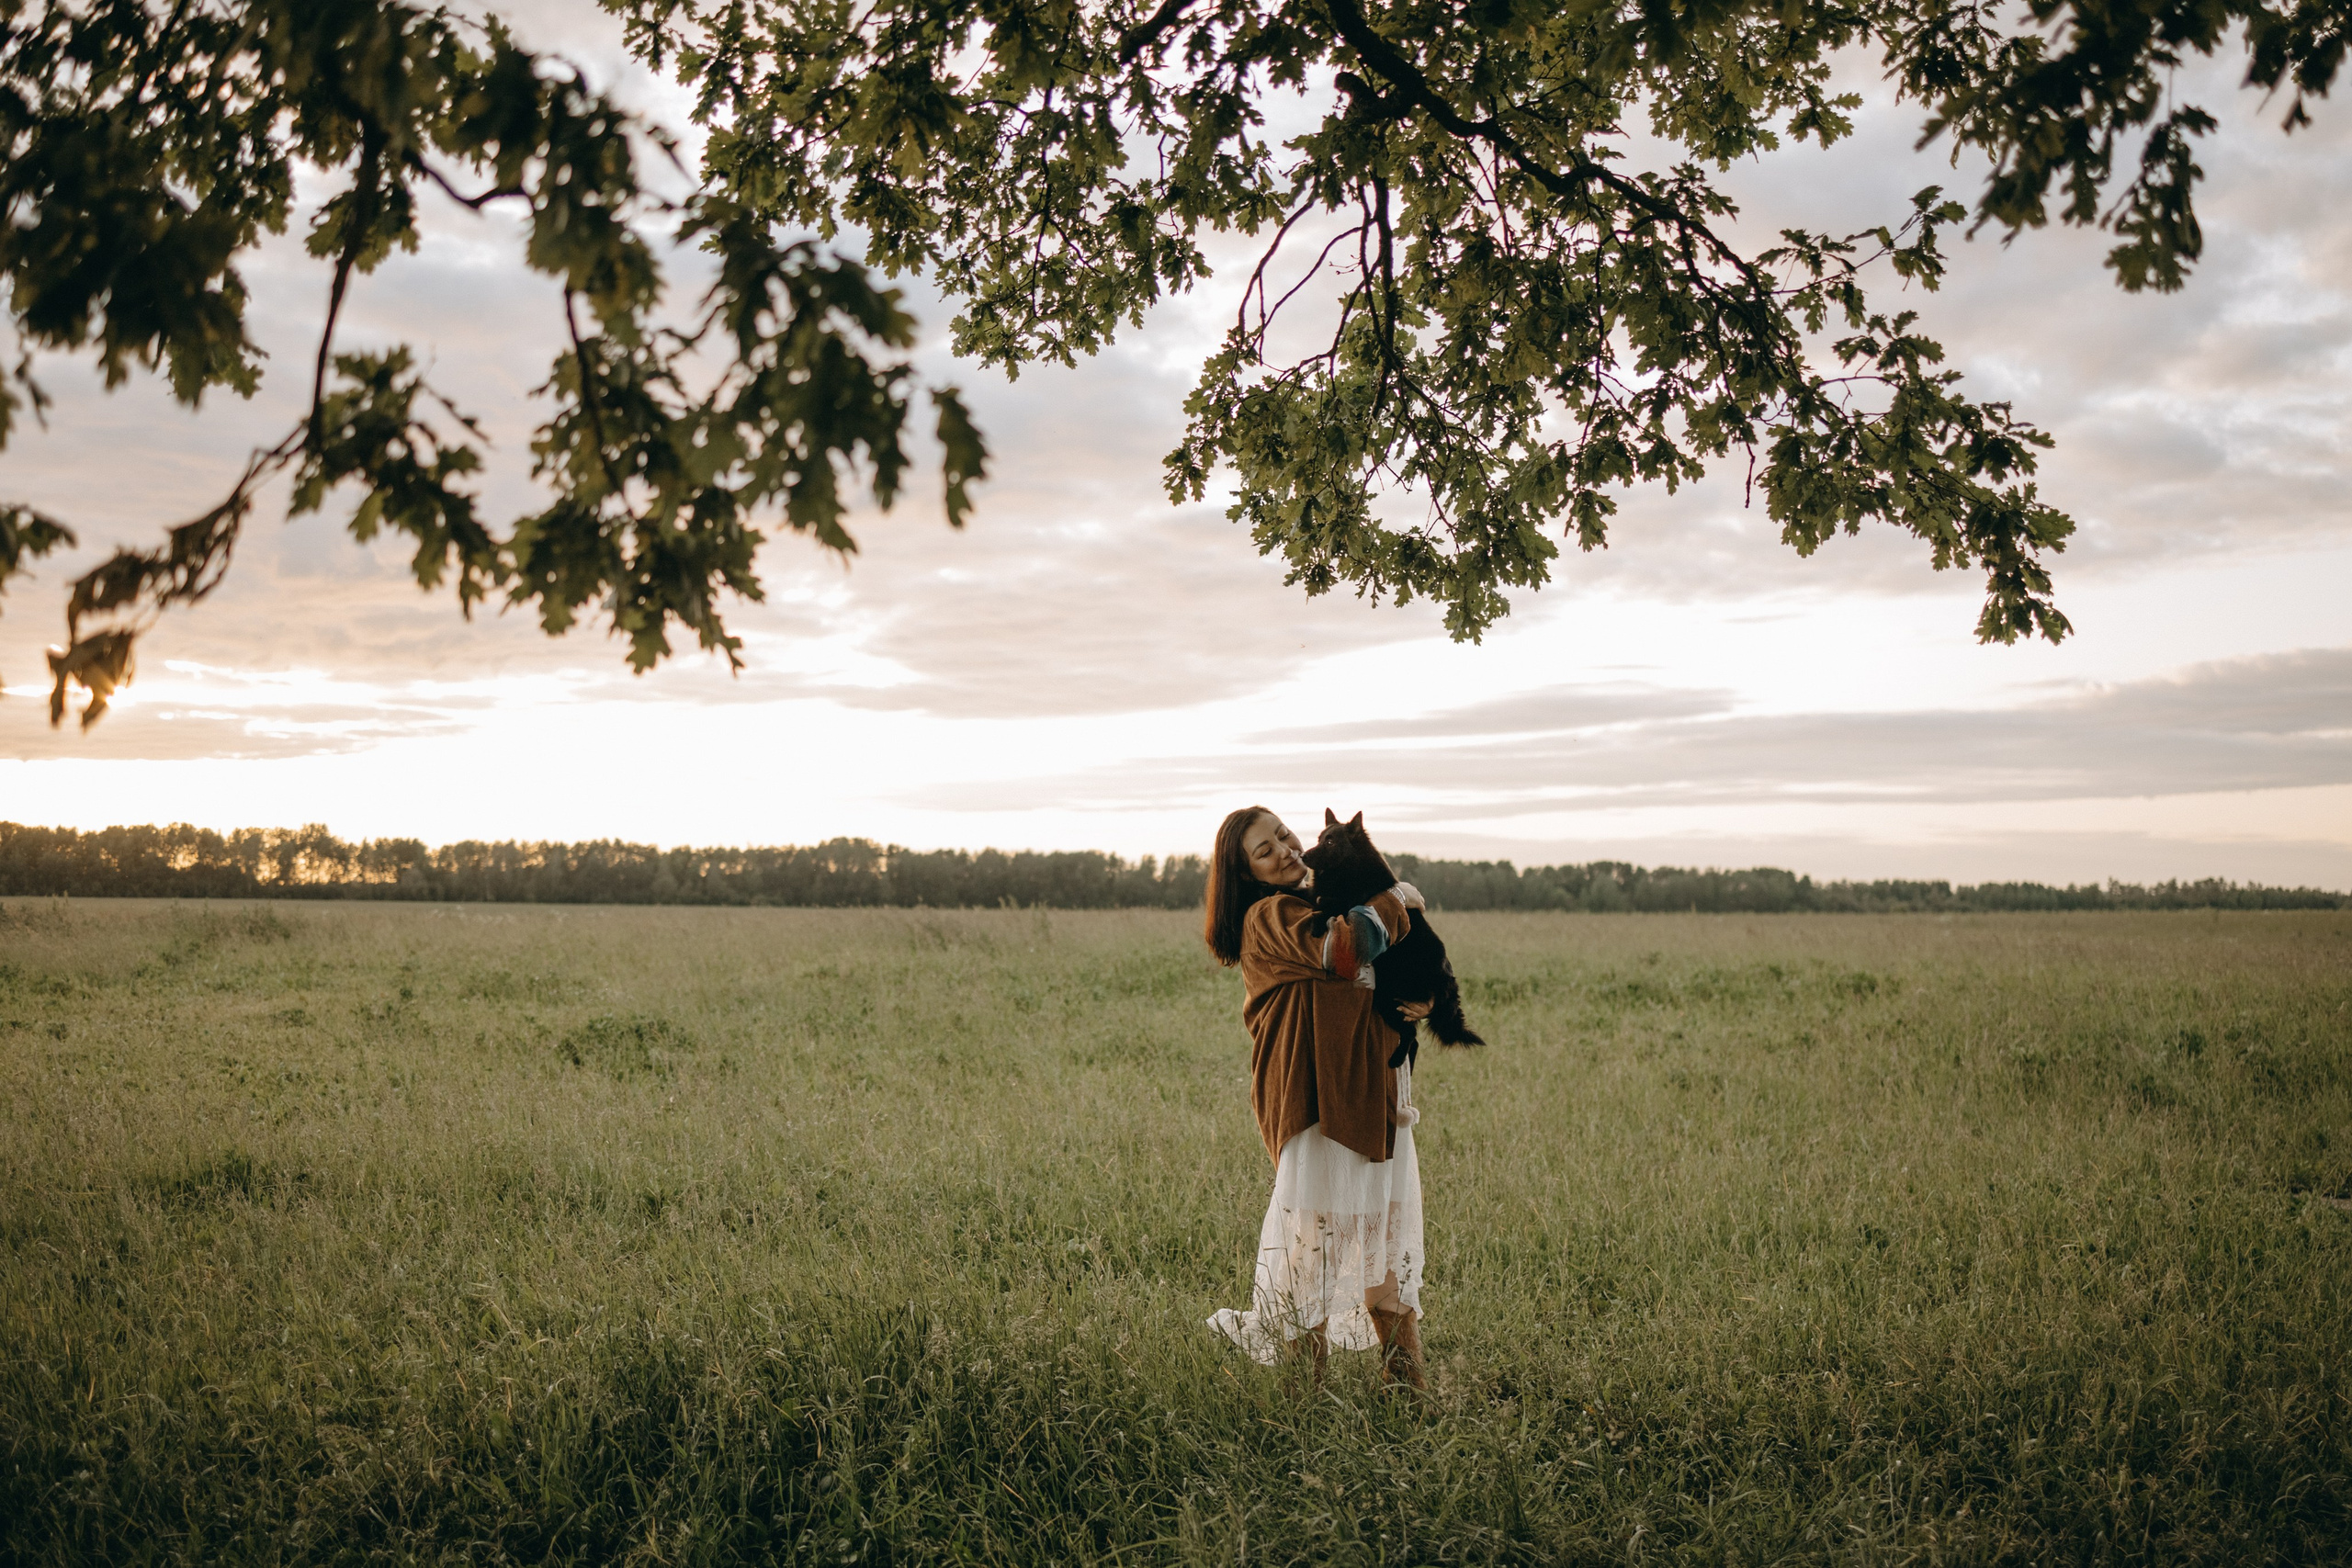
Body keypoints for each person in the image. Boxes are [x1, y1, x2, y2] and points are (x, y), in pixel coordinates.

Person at [1201, 804, 1430, 1388]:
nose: (1284, 848)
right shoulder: (1269, 915)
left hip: (1371, 1100)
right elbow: (1348, 952)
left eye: (1282, 834)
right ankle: (1305, 1409)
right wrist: (1396, 897)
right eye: (1264, 849)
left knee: (1381, 1253)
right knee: (1311, 1259)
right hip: (1318, 1107)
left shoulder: (1317, 903)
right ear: (1246, 873)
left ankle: (1409, 1398)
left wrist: (1419, 999)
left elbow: (1373, 978)